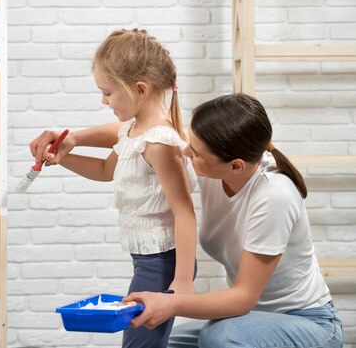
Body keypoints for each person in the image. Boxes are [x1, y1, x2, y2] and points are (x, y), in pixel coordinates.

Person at [30, 94, 344, 348]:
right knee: (168, 342)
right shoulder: (214, 159)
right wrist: (74, 138)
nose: (185, 151)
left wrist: (172, 304)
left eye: (194, 151)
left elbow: (243, 297)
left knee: (218, 338)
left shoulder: (274, 195)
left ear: (235, 166)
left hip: (307, 323)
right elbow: (145, 134)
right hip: (247, 320)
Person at [30, 29, 198, 348]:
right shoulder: (136, 131)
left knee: (138, 345)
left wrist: (183, 281)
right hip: (149, 259)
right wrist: (64, 154)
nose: (103, 100)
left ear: (139, 89)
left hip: (162, 262)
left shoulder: (158, 143)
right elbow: (107, 168)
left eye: (107, 92)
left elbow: (185, 214)